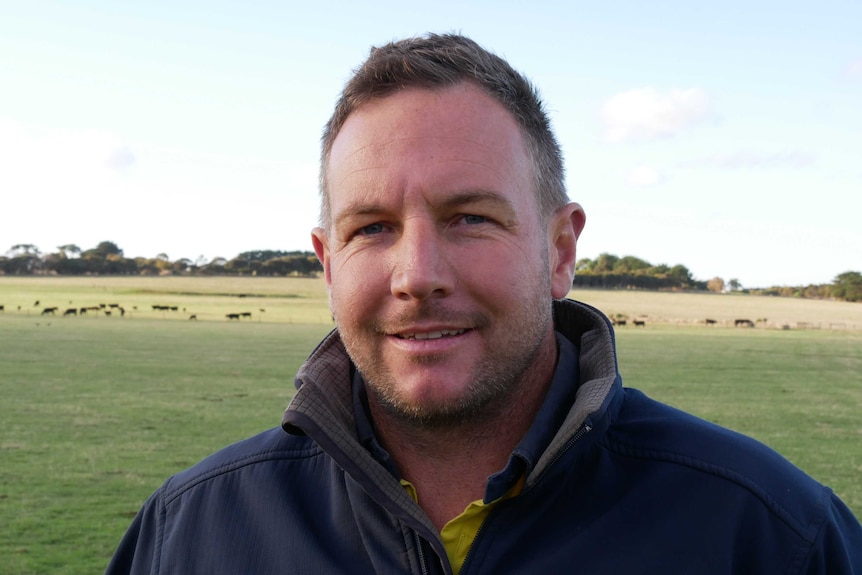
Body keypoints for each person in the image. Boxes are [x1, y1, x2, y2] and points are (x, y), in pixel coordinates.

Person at [107, 33, 862, 574]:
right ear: (327, 265)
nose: (418, 274)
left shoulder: (770, 532)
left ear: (560, 249)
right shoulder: (191, 529)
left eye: (470, 216)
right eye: (372, 227)